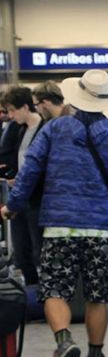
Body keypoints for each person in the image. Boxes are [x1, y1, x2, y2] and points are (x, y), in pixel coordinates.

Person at [1, 70, 108, 357]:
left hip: (59, 224)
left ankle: (63, 341)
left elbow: (30, 172)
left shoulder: (54, 129)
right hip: (100, 226)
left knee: (54, 288)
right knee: (97, 293)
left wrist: (12, 206)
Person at [0, 87, 44, 284]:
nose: (10, 115)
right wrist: (12, 175)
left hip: (38, 198)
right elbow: (10, 156)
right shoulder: (18, 130)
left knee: (39, 249)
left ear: (25, 107)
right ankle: (34, 289)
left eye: (12, 110)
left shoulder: (46, 129)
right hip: (19, 195)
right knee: (21, 250)